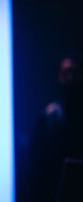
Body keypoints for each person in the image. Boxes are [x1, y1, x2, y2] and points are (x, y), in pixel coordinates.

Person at [31, 56, 83, 202]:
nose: (70, 78)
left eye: (74, 72)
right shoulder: (48, 117)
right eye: (65, 73)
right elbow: (35, 168)